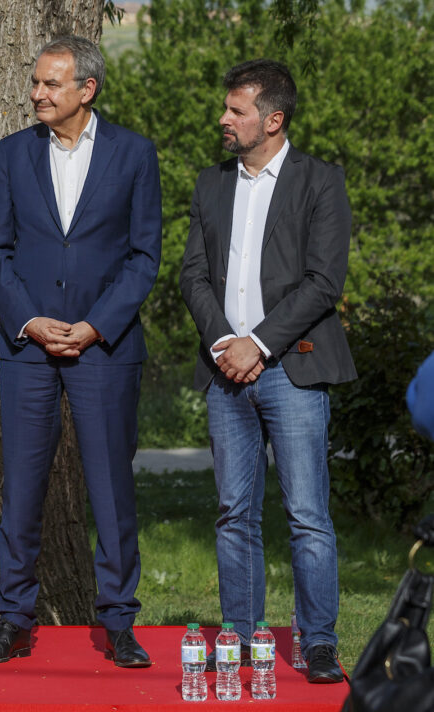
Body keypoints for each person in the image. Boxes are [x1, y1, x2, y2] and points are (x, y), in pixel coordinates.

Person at [0, 36, 162, 668]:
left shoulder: (134, 153)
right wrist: (29, 321)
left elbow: (144, 256)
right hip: (27, 348)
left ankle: (119, 623)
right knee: (21, 490)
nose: (37, 93)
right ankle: (12, 620)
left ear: (87, 89)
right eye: (36, 82)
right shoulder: (13, 152)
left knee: (111, 489)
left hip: (105, 349)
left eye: (50, 84)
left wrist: (95, 326)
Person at [179, 59, 356, 684]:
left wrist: (257, 345)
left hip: (293, 369)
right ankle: (243, 636)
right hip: (224, 370)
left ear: (273, 119)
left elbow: (323, 282)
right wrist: (225, 343)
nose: (223, 119)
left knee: (307, 515)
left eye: (237, 110)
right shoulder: (211, 183)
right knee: (234, 513)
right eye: (226, 108)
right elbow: (193, 275)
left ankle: (319, 642)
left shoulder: (320, 181)